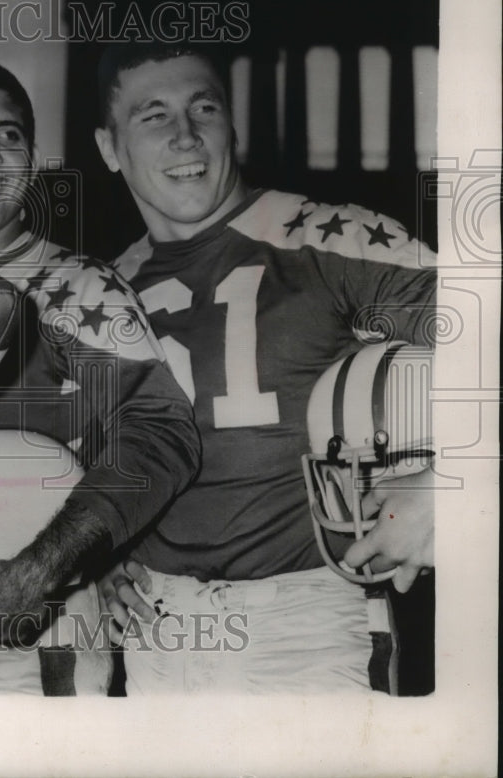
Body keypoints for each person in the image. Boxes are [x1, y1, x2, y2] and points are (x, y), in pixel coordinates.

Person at [91, 42, 436, 693]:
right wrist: (102, 554)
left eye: (204, 107)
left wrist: (450, 484)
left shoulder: (328, 241)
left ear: (232, 123)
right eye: (153, 115)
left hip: (305, 630)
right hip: (156, 641)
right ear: (109, 148)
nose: (186, 135)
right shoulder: (105, 292)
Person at [0, 59, 201, 694]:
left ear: (33, 161)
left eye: (10, 135)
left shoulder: (80, 290)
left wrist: (43, 568)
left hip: (38, 631)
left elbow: (164, 437)